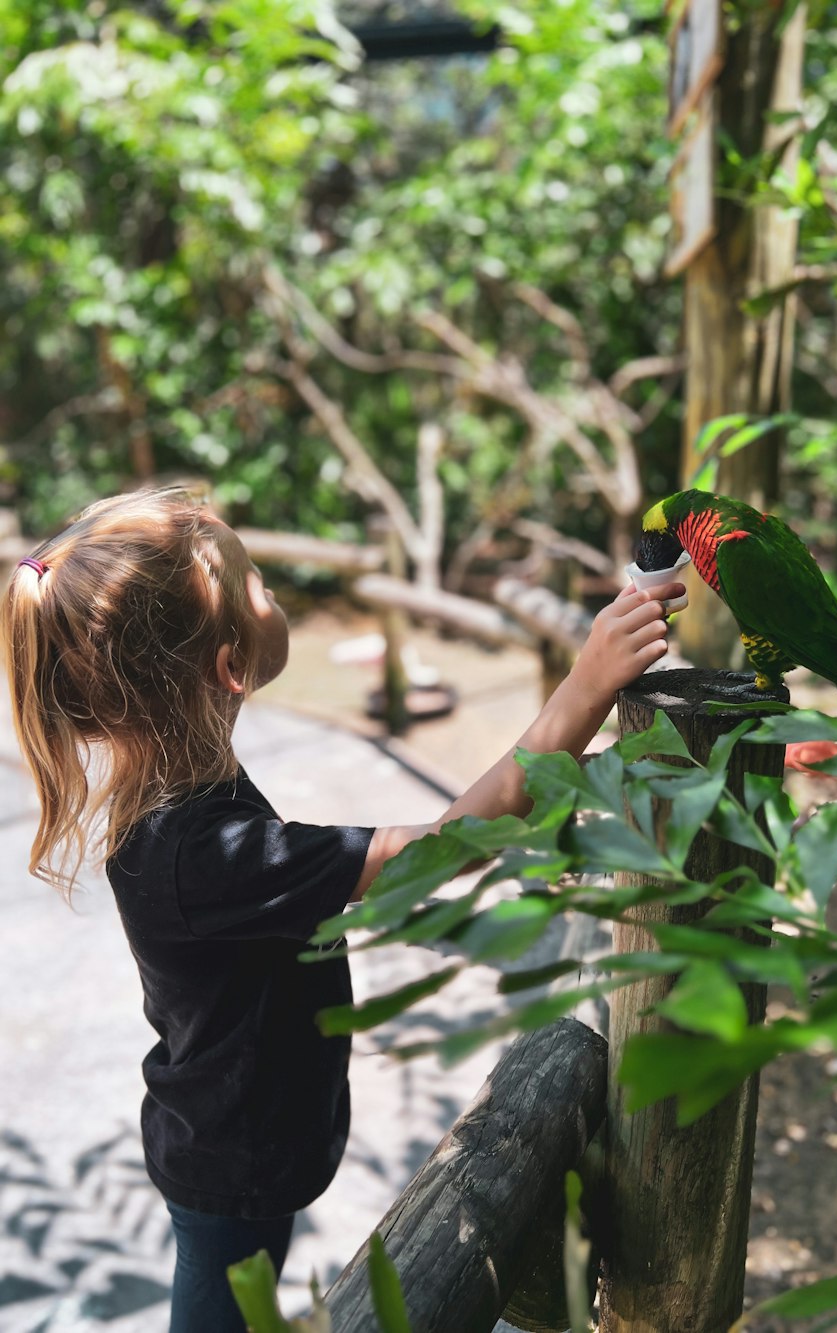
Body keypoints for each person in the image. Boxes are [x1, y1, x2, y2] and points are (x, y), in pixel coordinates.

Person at [1, 487, 685, 1332]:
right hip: (234, 1165)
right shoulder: (204, 853)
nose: (274, 593)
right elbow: (447, 844)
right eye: (259, 588)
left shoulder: (183, 793)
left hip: (240, 1138)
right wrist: (584, 685)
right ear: (230, 666)